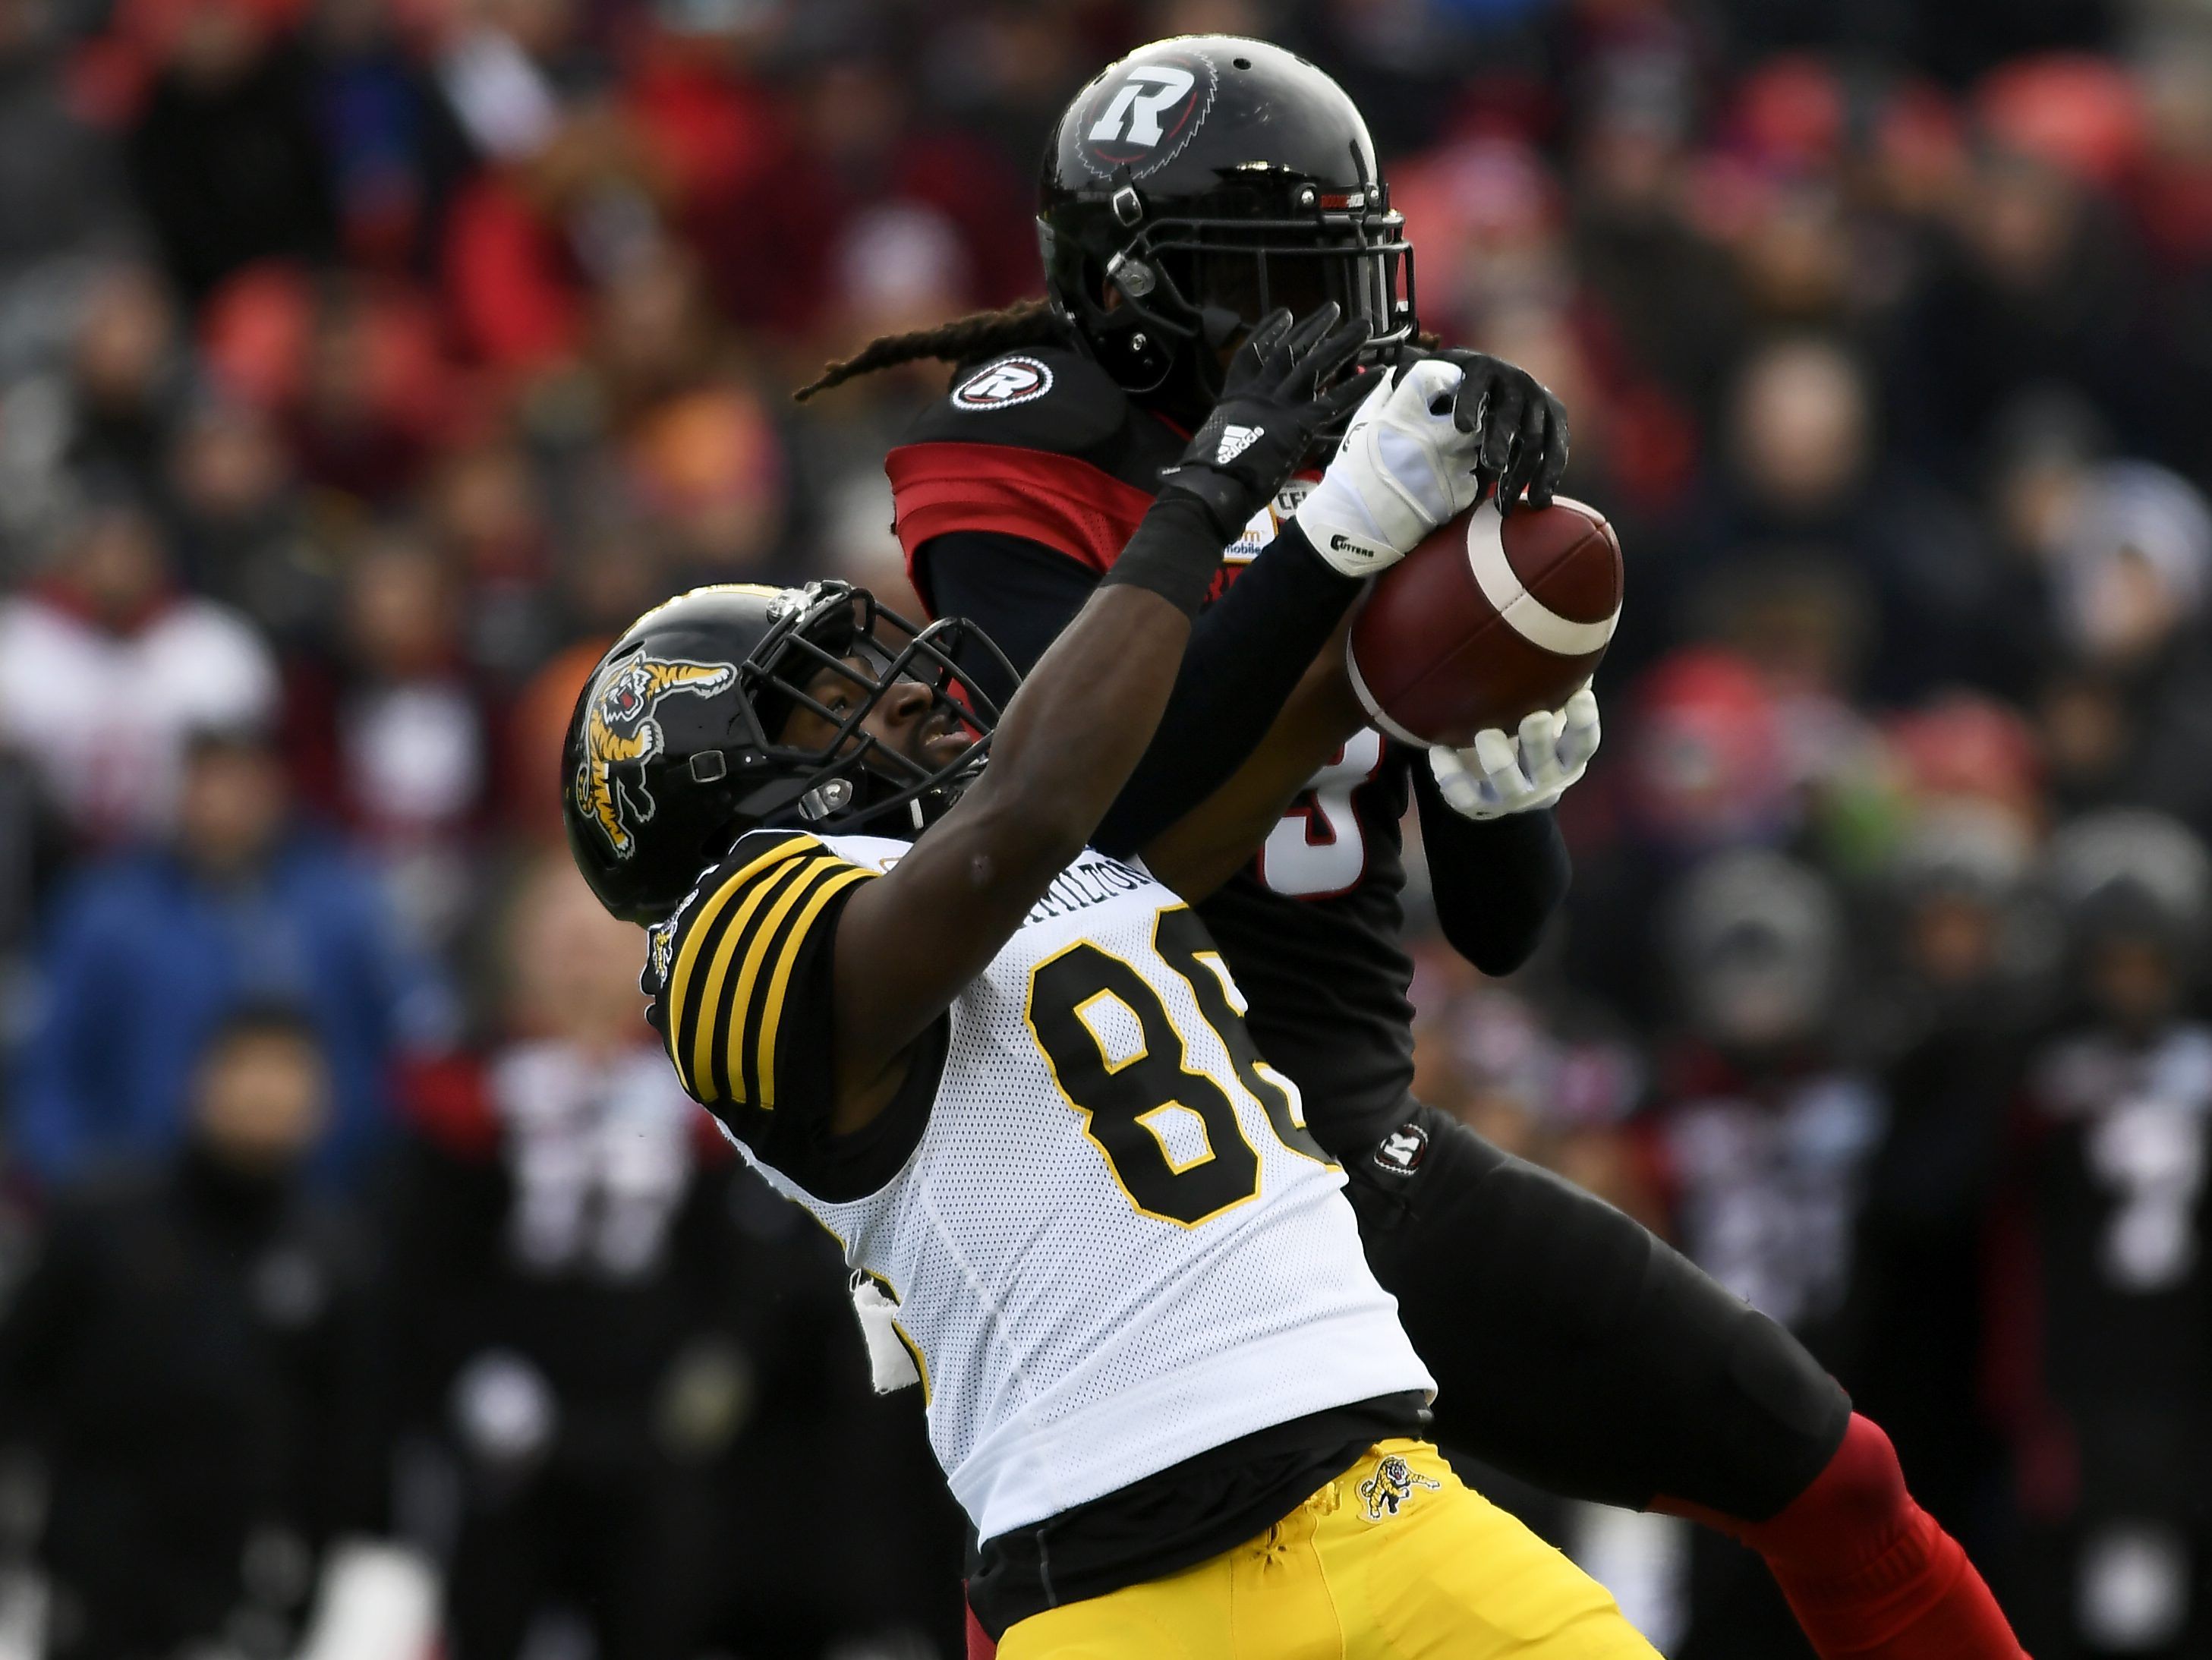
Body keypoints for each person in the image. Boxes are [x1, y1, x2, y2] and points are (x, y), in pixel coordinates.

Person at [796, 35, 2026, 1660]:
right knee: (1074, 1588)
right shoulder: (1025, 442)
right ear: (1134, 289)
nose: (1319, 319)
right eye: (1264, 273)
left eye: (1337, 265)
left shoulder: (1384, 429)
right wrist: (1317, 548)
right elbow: (1093, 824)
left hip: (1352, 1125)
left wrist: (1502, 786)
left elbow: (1504, 926)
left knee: (1838, 1479)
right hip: (1125, 1202)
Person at [565, 308, 1659, 1655]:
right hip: (1123, 1581)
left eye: (870, 649)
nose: (897, 683)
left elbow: (1251, 743)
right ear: (711, 784)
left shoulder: (1033, 860)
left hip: (1381, 1491)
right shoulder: (733, 941)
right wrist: (1212, 486)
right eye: (826, 685)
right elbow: (1026, 814)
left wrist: (1453, 630)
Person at [0, 1003, 384, 1660]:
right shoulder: (104, 1219)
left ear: (324, 1101)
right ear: (198, 1082)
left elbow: (347, 1434)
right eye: (245, 1067)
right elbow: (17, 1377)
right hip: (98, 1568)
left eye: (288, 1072)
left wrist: (317, 1576)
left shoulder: (337, 1254)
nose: (264, 1091)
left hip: (249, 1582)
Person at [14, 723, 442, 1186]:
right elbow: (50, 1068)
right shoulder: (107, 913)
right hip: (147, 1200)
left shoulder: (346, 904)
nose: (225, 803)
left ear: (278, 790)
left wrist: (378, 1177)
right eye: (210, 780)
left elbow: (410, 1044)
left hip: (321, 1196)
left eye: (245, 781)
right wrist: (76, 1186)